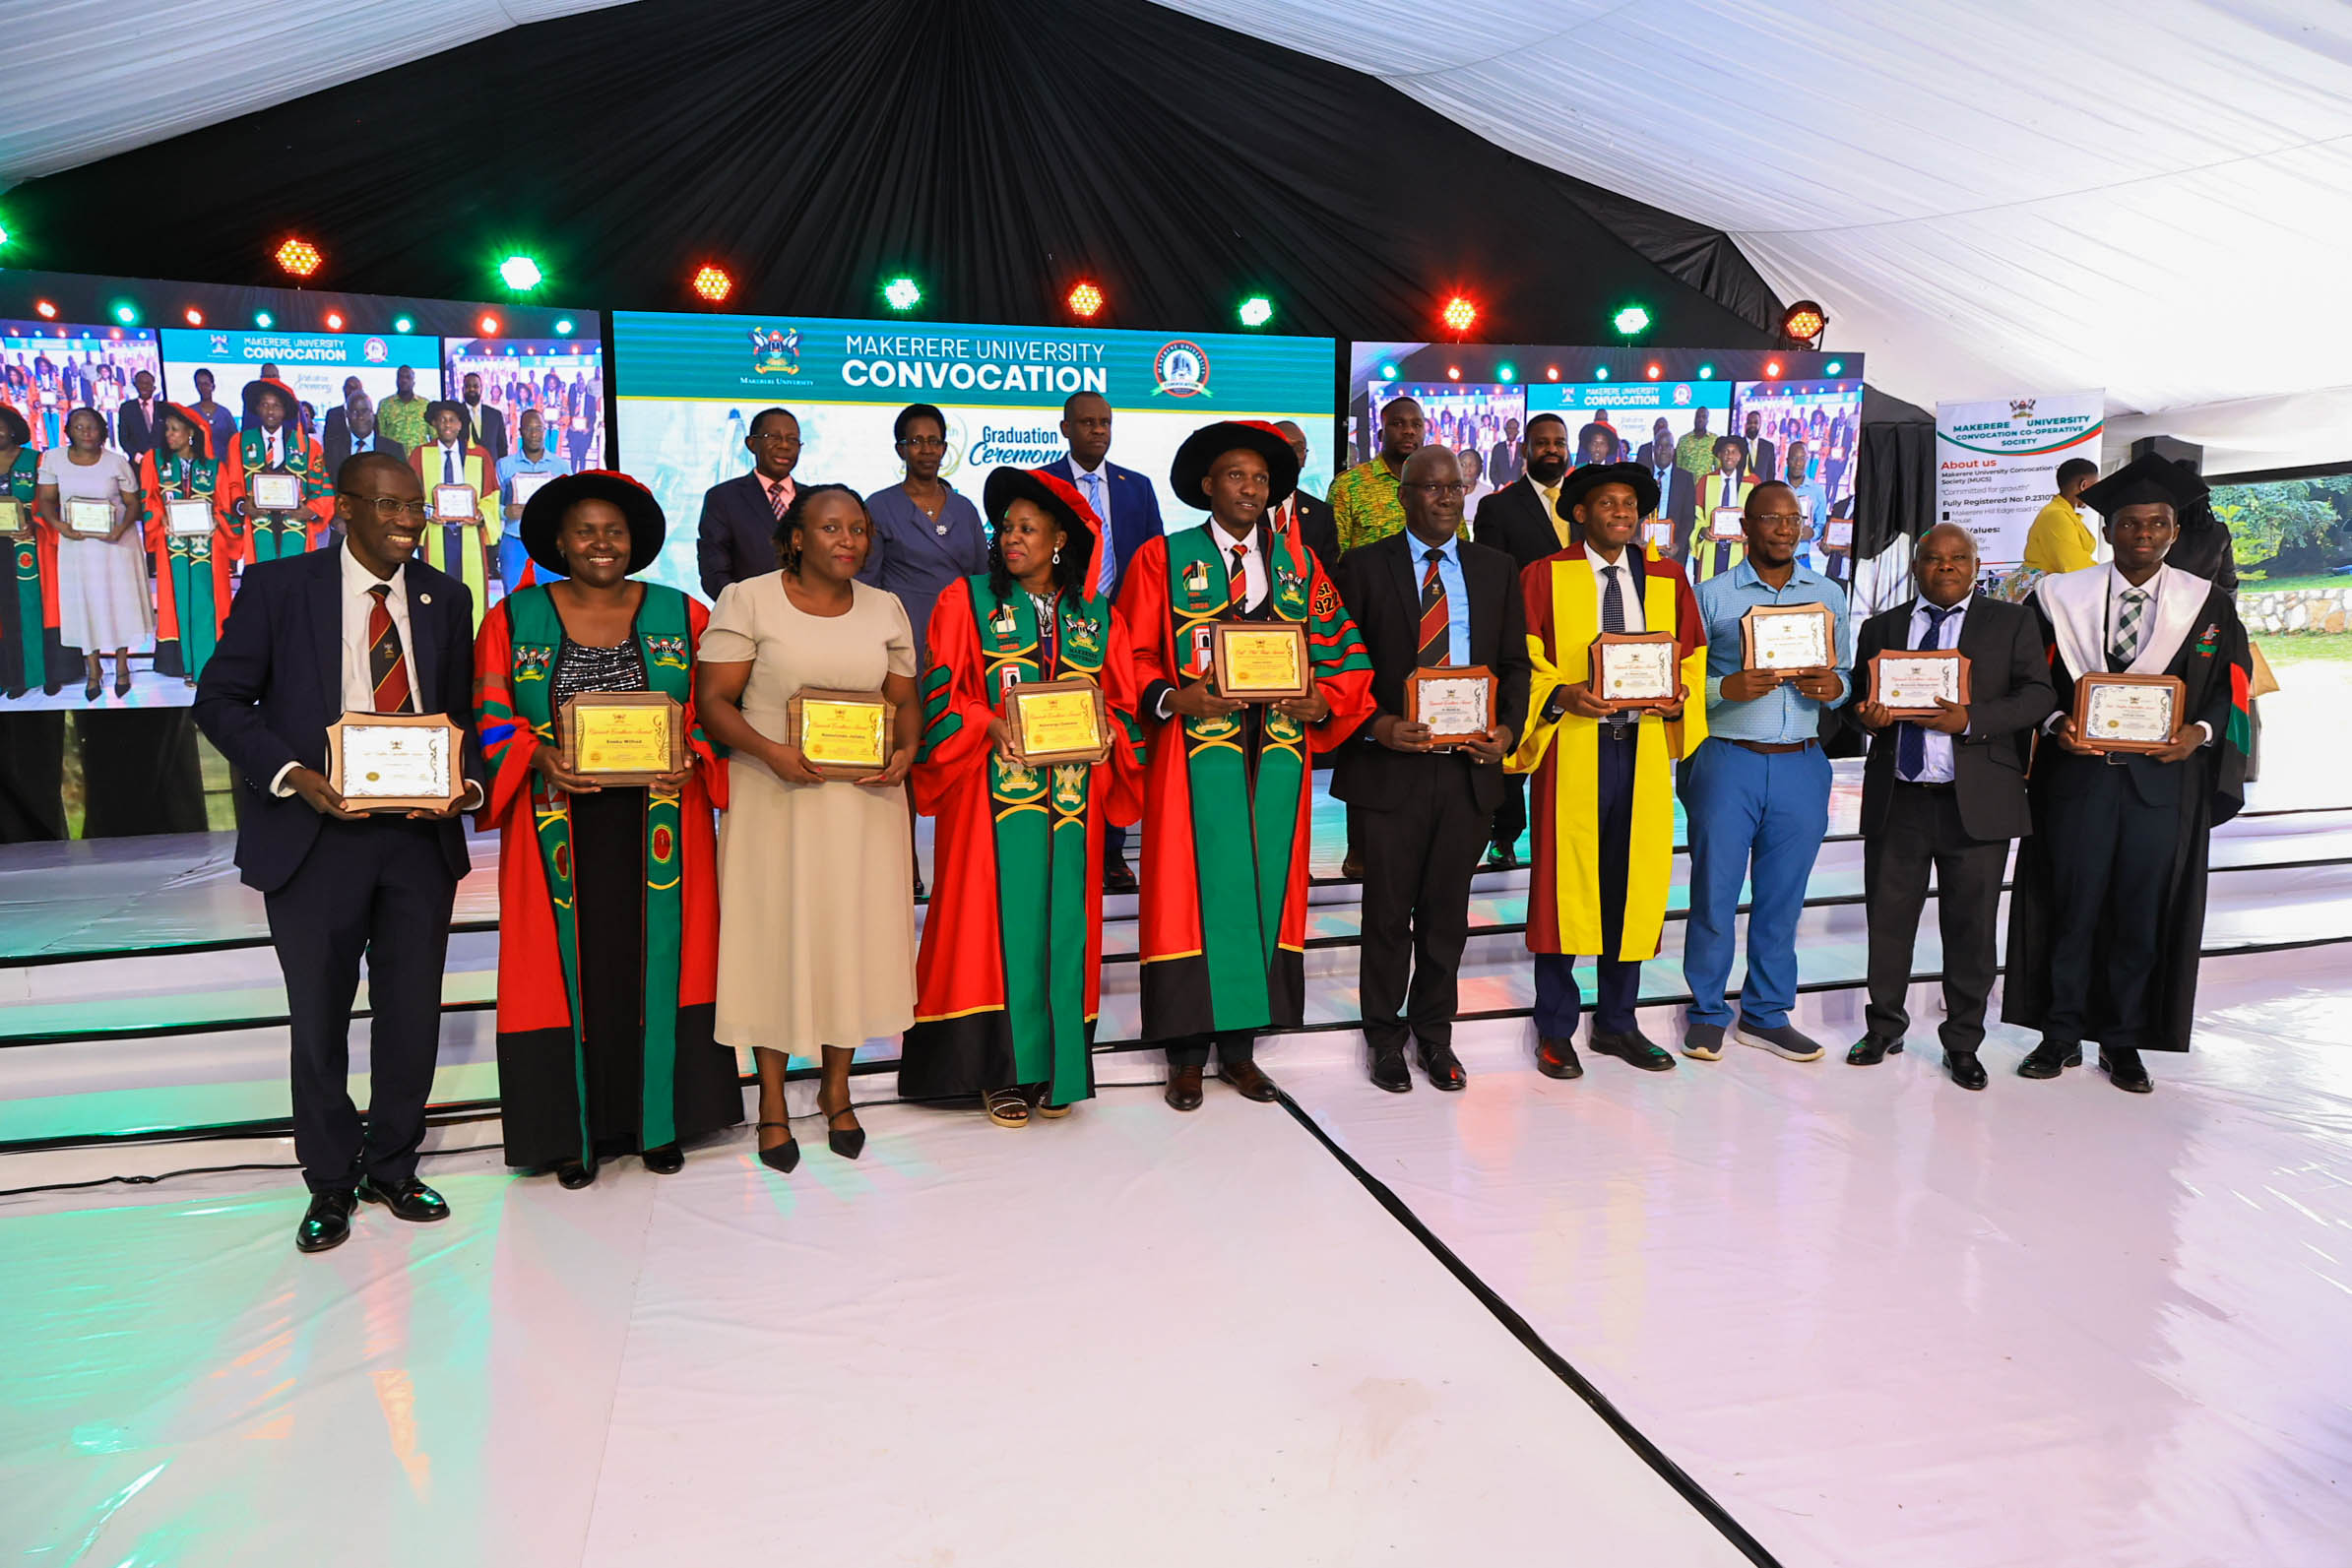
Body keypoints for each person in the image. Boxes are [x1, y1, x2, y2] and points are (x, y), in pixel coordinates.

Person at [192, 451, 485, 1253]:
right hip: (314, 838)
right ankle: (329, 1180)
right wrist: (293, 774)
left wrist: (468, 782)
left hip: (418, 839)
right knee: (318, 1018)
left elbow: (456, 714)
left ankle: (393, 1164)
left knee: (410, 1011)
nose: (405, 520)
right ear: (344, 507)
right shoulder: (281, 587)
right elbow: (218, 699)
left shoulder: (444, 596)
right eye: (387, 506)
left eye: (414, 507)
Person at [474, 470, 740, 1183]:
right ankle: (572, 1133)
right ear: (559, 539)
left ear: (636, 541)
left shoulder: (684, 615)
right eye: (585, 530)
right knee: (572, 973)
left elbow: (716, 711)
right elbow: (491, 716)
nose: (601, 543)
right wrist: (537, 756)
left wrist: (697, 754)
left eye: (614, 530)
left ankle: (661, 1121)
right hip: (556, 824)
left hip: (661, 822)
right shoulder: (513, 617)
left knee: (656, 963)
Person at [1115, 419, 1373, 1111]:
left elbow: (1343, 649)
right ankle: (1183, 1057)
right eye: (1236, 475)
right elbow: (1129, 654)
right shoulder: (1161, 560)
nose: (1250, 488)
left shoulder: (1300, 566)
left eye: (1261, 478)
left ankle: (1239, 1051)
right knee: (1188, 894)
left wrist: (1322, 701)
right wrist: (1173, 695)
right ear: (1207, 485)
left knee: (1260, 892)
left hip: (1276, 759)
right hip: (1193, 758)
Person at [2002, 456, 2251, 1093]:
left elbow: (2234, 689)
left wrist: (2196, 735)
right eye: (2129, 523)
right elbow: (2028, 681)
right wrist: (2057, 721)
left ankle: (2121, 1038)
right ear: (2107, 529)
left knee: (2140, 910)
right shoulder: (2058, 597)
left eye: (2157, 523)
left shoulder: (2208, 604)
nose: (2143, 534)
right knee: (2070, 901)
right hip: (2076, 778)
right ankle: (2058, 1033)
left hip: (2161, 785)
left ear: (2173, 531)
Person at [901, 468, 1142, 1124]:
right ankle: (995, 1071)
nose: (1011, 537)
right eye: (1004, 526)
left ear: (1060, 539)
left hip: (1071, 804)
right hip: (989, 799)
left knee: (1062, 928)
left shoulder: (1096, 618)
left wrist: (1108, 736)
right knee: (986, 923)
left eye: (1027, 528)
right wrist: (989, 724)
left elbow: (1120, 705)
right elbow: (940, 697)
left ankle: (1054, 1065)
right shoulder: (965, 599)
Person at [694, 484, 922, 1170]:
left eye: (858, 527)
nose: (848, 539)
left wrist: (906, 748)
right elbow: (713, 702)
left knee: (847, 937)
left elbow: (902, 700)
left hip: (865, 805)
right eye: (830, 527)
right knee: (775, 938)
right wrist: (769, 752)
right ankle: (769, 1101)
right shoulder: (749, 598)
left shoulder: (885, 607)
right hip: (776, 798)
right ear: (796, 536)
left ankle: (835, 1089)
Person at [1334, 445, 1527, 1092]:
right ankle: (1383, 1039)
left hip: (1467, 769)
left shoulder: (1495, 568)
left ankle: (1434, 1037)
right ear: (1403, 495)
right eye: (1431, 488)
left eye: (1454, 488)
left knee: (1445, 915)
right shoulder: (1360, 567)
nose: (1445, 498)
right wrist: (1375, 725)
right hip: (1391, 767)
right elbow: (1338, 666)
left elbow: (1515, 666)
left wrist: (1507, 729)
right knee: (1386, 914)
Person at [1510, 463, 1708, 1079]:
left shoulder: (1669, 578)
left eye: (1630, 503)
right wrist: (1562, 693)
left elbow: (1694, 657)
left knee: (1634, 882)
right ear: (1579, 513)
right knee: (1565, 887)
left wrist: (1679, 698)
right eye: (1607, 503)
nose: (1621, 512)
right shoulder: (1544, 576)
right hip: (1572, 746)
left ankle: (1618, 1022)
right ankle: (1556, 1028)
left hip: (1642, 748)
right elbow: (1522, 659)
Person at [1846, 525, 2055, 1090]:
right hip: (1900, 798)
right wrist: (1865, 717)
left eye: (1958, 558)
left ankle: (1963, 1041)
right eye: (1934, 559)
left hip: (1977, 804)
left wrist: (1971, 720)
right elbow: (1855, 705)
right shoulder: (1881, 628)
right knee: (1888, 926)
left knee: (1971, 929)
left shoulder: (2010, 622)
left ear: (1975, 563)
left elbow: (2039, 695)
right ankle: (1883, 1026)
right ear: (1917, 566)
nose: (1946, 568)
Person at [1681, 480, 1853, 1064]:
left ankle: (1766, 1014)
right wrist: (1722, 687)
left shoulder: (1828, 593)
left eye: (1793, 519)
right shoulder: (1709, 596)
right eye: (1770, 519)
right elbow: (1678, 683)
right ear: (1745, 526)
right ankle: (1705, 1011)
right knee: (1714, 895)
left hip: (1802, 762)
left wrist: (1835, 688)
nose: (1784, 529)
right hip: (1728, 759)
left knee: (1783, 900)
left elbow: (1845, 676)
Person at [1043, 390, 1165, 897]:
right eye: (1088, 422)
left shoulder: (1135, 486)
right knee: (1065, 729)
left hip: (1124, 625)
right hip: (1062, 625)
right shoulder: (1044, 483)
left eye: (1105, 422)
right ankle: (1059, 843)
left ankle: (1113, 854)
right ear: (1065, 427)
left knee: (1114, 733)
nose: (1098, 430)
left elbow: (1155, 555)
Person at [1472, 411, 1574, 868]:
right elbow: (1491, 578)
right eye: (1542, 442)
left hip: (1578, 644)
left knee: (1569, 740)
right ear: (1524, 450)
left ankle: (1566, 830)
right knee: (1518, 735)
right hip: (1523, 641)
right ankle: (1505, 836)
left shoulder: (1584, 503)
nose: (1551, 449)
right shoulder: (1499, 506)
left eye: (1558, 442)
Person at [859, 403, 988, 673]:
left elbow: (982, 577)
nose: (927, 450)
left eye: (934, 441)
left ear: (944, 448)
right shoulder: (879, 506)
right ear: (901, 449)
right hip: (904, 632)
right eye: (916, 441)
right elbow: (867, 584)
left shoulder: (964, 508)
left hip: (961, 631)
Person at [35, 408, 149, 700]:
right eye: (78, 427)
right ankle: (93, 670)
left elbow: (132, 503)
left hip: (116, 545)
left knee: (118, 604)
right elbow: (46, 500)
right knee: (84, 605)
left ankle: (122, 665)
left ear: (102, 430)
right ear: (69, 431)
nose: (86, 432)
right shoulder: (54, 459)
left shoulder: (117, 462)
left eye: (92, 427)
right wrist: (60, 525)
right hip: (77, 546)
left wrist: (122, 527)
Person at [139, 405, 236, 686]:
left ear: (191, 433)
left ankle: (207, 665)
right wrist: (161, 521)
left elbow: (225, 506)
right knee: (177, 598)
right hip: (173, 544)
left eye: (174, 429)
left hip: (209, 544)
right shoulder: (154, 461)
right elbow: (149, 501)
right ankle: (184, 663)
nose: (168, 434)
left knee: (208, 599)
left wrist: (218, 521)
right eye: (166, 429)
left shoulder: (213, 466)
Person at [410, 399, 501, 628]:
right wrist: (428, 513)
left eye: (452, 420)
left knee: (473, 592)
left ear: (461, 425)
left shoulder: (480, 455)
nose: (447, 424)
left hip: (470, 535)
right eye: (442, 420)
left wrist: (481, 515)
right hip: (435, 532)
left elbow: (491, 496)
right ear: (434, 424)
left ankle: (473, 639)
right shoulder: (420, 455)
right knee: (436, 590)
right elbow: (410, 494)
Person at [222, 378, 333, 564]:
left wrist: (312, 511)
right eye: (265, 405)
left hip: (297, 526)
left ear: (285, 411)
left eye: (277, 406)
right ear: (257, 408)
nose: (271, 411)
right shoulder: (240, 442)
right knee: (262, 583)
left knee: (296, 583)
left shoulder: (307, 446)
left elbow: (323, 488)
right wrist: (242, 506)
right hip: (258, 525)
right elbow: (232, 484)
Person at [696, 406, 800, 597]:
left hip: (814, 618)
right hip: (749, 618)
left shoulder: (816, 500)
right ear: (751, 443)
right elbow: (714, 572)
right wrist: (744, 609)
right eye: (774, 437)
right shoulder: (723, 498)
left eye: (792, 439)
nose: (785, 445)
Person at [0, 406, 58, 699]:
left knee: (33, 607)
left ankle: (43, 673)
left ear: (13, 429)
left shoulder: (35, 460)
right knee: (4, 611)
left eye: (1, 426)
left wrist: (34, 523)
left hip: (30, 544)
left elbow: (49, 501)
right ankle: (13, 677)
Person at [1329, 395, 1424, 555]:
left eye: (1417, 425)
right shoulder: (1349, 485)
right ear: (1380, 435)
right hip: (1366, 580)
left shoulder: (1440, 486)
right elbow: (1332, 557)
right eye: (1398, 424)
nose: (1409, 431)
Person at [497, 409, 568, 589]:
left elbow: (571, 506)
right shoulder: (504, 466)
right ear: (520, 431)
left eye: (539, 428)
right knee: (515, 600)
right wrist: (505, 511)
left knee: (553, 598)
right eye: (529, 429)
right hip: (514, 541)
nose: (534, 434)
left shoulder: (561, 466)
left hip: (550, 542)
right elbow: (490, 504)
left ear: (545, 431)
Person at [1270, 419, 1342, 579]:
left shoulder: (1322, 514)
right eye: (1283, 446)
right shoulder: (1246, 507)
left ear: (1304, 457)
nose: (1291, 454)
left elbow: (1329, 576)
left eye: (1298, 448)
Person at [2021, 457, 2102, 578]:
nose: (2097, 492)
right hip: (2039, 592)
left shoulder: (2062, 513)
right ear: (2083, 485)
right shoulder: (2056, 515)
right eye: (2095, 486)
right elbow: (2074, 565)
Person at [1691, 435, 1754, 584]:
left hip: (1739, 549)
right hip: (1711, 546)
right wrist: (1701, 531)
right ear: (1719, 454)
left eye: (1734, 452)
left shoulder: (1751, 482)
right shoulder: (1706, 481)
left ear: (1740, 456)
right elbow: (1696, 514)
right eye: (1725, 451)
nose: (1729, 456)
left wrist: (1749, 534)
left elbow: (1758, 516)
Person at [324, 391, 405, 474]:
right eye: (355, 412)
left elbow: (402, 484)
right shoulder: (333, 450)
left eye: (364, 411)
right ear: (347, 415)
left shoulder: (394, 450)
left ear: (372, 414)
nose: (360, 417)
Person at [1785, 441, 1831, 568]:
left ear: (1807, 460)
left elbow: (1821, 523)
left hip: (1802, 561)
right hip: (1775, 560)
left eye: (1802, 458)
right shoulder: (1776, 488)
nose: (1798, 463)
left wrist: (1813, 533)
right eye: (1794, 458)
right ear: (1787, 460)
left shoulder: (1816, 490)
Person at [378, 363, 431, 454]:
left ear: (413, 382)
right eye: (400, 377)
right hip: (394, 458)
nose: (404, 380)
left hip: (420, 457)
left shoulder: (425, 404)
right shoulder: (385, 404)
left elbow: (433, 434)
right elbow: (381, 435)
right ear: (396, 381)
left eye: (408, 377)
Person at [187, 367, 238, 462]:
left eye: (206, 384)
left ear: (213, 386)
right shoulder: (190, 412)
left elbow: (235, 441)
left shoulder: (224, 413)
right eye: (199, 384)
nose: (203, 388)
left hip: (222, 465)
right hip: (197, 466)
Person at [459, 372, 507, 464]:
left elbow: (502, 448)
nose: (472, 389)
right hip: (464, 471)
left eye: (475, 386)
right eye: (468, 386)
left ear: (481, 389)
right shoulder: (456, 415)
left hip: (491, 471)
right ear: (463, 390)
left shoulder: (496, 415)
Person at [117, 370, 163, 463]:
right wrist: (138, 457)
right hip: (138, 463)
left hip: (162, 463)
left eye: (147, 383)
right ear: (135, 385)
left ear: (154, 387)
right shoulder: (127, 408)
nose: (144, 386)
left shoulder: (164, 408)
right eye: (140, 383)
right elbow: (123, 438)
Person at [318, 376, 366, 452]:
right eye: (349, 388)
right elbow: (328, 443)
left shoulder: (368, 415)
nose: (352, 392)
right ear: (343, 389)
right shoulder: (332, 414)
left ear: (361, 391)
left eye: (355, 388)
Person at [1741, 408, 1776, 486]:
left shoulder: (1768, 447)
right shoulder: (1738, 444)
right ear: (1746, 424)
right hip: (1741, 492)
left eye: (1756, 422)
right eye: (1750, 422)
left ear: (1760, 425)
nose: (1752, 425)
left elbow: (1771, 473)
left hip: (1762, 492)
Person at [1489, 416, 1524, 486]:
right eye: (1509, 428)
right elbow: (1492, 472)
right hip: (1501, 491)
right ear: (1505, 430)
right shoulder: (1498, 448)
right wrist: (1500, 486)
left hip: (1520, 491)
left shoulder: (1523, 448)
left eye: (1514, 428)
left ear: (1518, 431)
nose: (1511, 431)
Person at [1458, 445, 1494, 511]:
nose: (1467, 469)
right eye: (1463, 465)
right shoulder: (1447, 492)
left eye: (1472, 465)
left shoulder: (1486, 492)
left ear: (1479, 468)